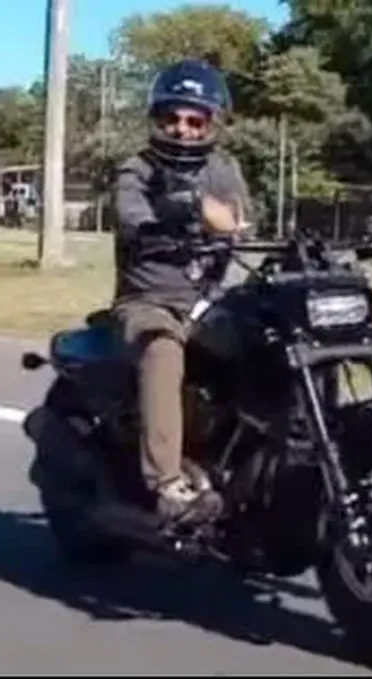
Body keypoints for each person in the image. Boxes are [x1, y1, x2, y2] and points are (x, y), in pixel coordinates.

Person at [111, 58, 253, 525]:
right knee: (163, 351)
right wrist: (178, 213)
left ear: (212, 122)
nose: (183, 129)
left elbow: (239, 222)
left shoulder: (223, 167)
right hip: (150, 301)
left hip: (212, 299)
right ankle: (168, 484)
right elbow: (131, 213)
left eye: (195, 119)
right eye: (172, 117)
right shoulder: (139, 169)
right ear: (157, 119)